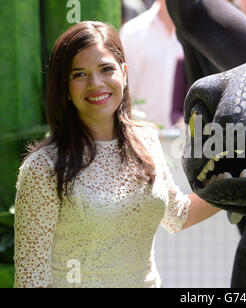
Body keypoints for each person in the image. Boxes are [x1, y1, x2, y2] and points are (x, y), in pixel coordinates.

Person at [13, 21, 220, 288]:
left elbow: (177, 214)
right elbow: (31, 280)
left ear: (123, 73)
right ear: (64, 86)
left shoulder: (146, 139)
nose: (95, 84)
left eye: (106, 69)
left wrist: (239, 188)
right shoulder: (43, 168)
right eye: (79, 74)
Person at [120, 0, 182, 128]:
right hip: (142, 135)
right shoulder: (132, 32)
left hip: (189, 139)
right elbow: (124, 90)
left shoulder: (199, 32)